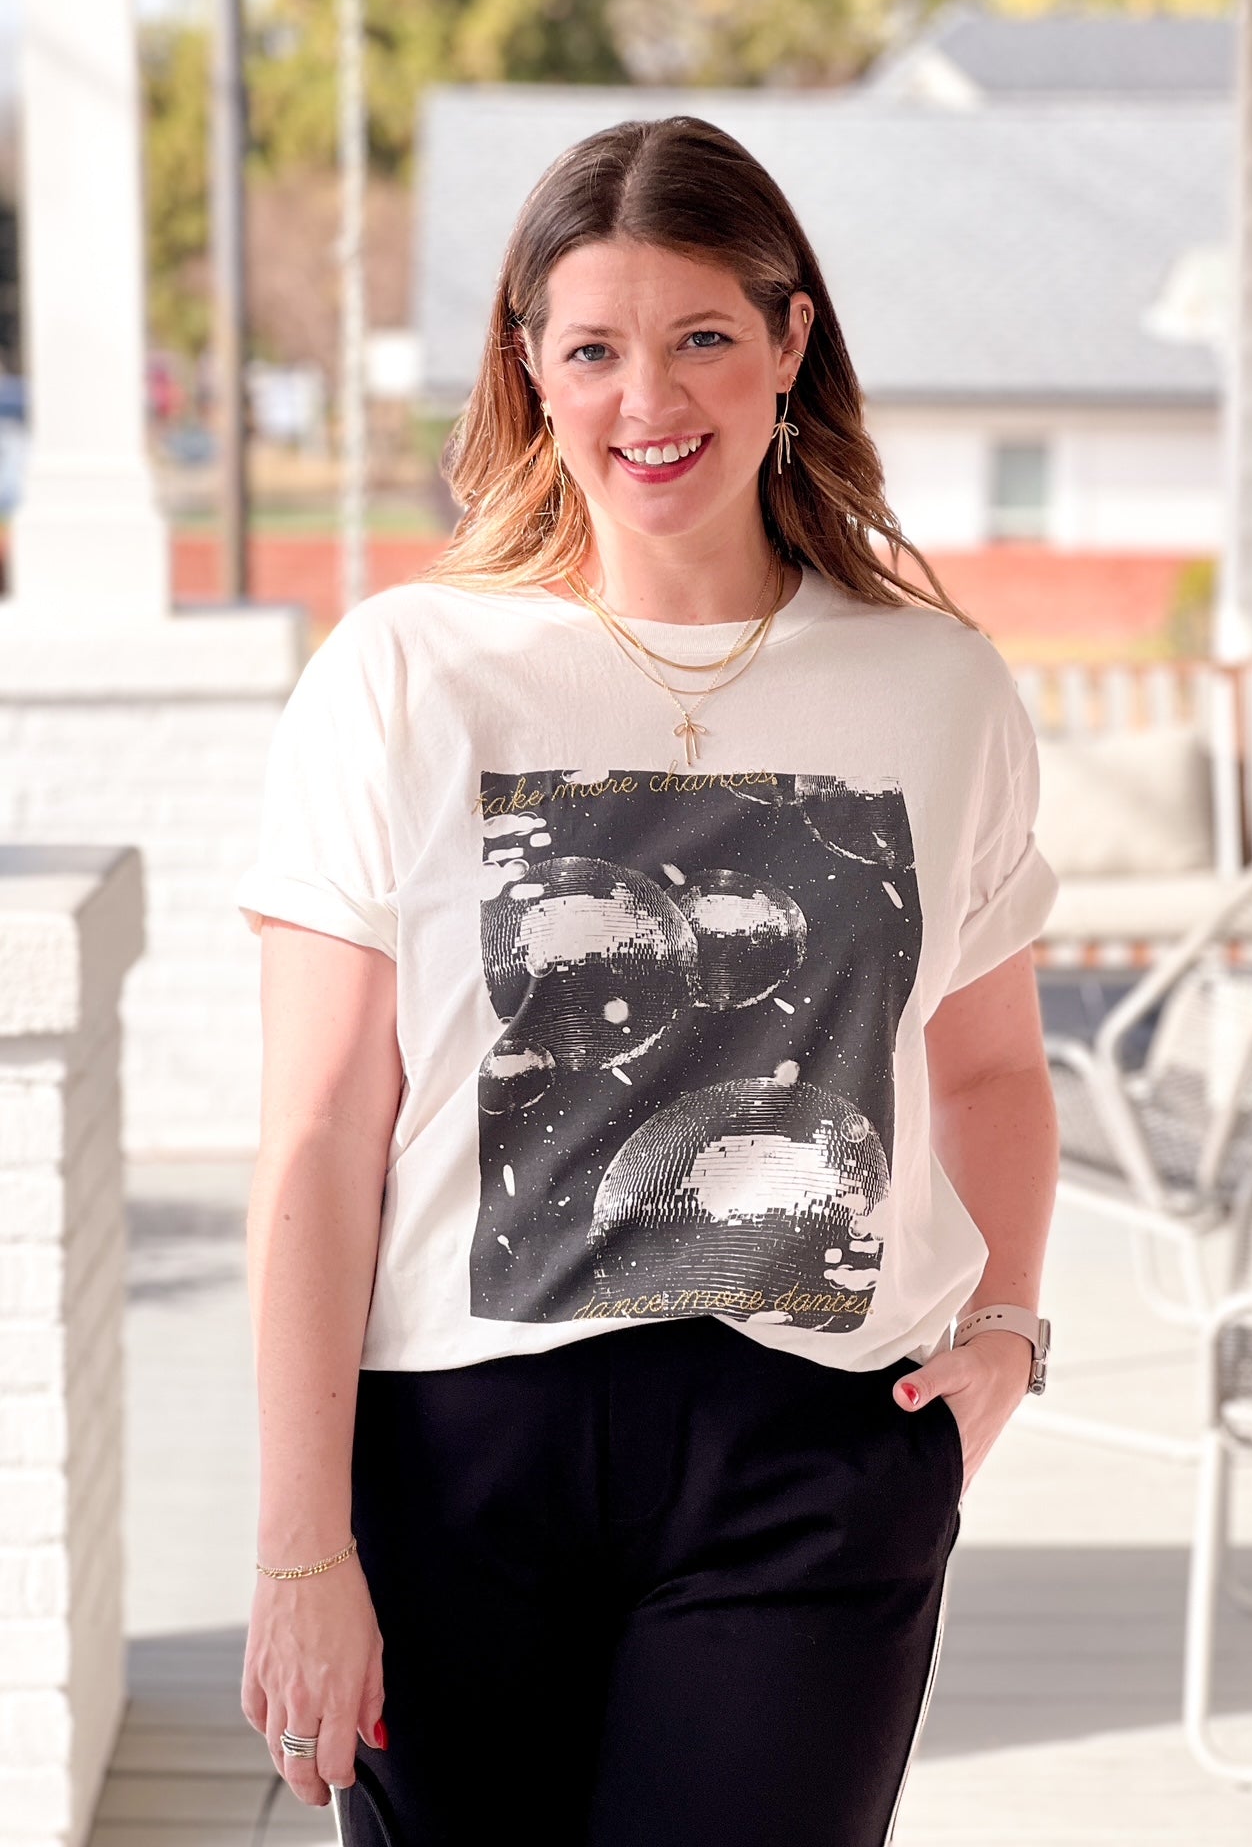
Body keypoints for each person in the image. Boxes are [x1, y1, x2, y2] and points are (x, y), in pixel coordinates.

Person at [236, 114, 1061, 1847]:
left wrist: (1001, 1339)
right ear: (529, 372)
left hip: (812, 1455)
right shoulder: (407, 675)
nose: (646, 399)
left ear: (786, 343)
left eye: (697, 336)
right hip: (457, 1451)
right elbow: (318, 1132)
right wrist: (300, 1546)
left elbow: (990, 1068)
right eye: (591, 349)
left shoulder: (935, 688)